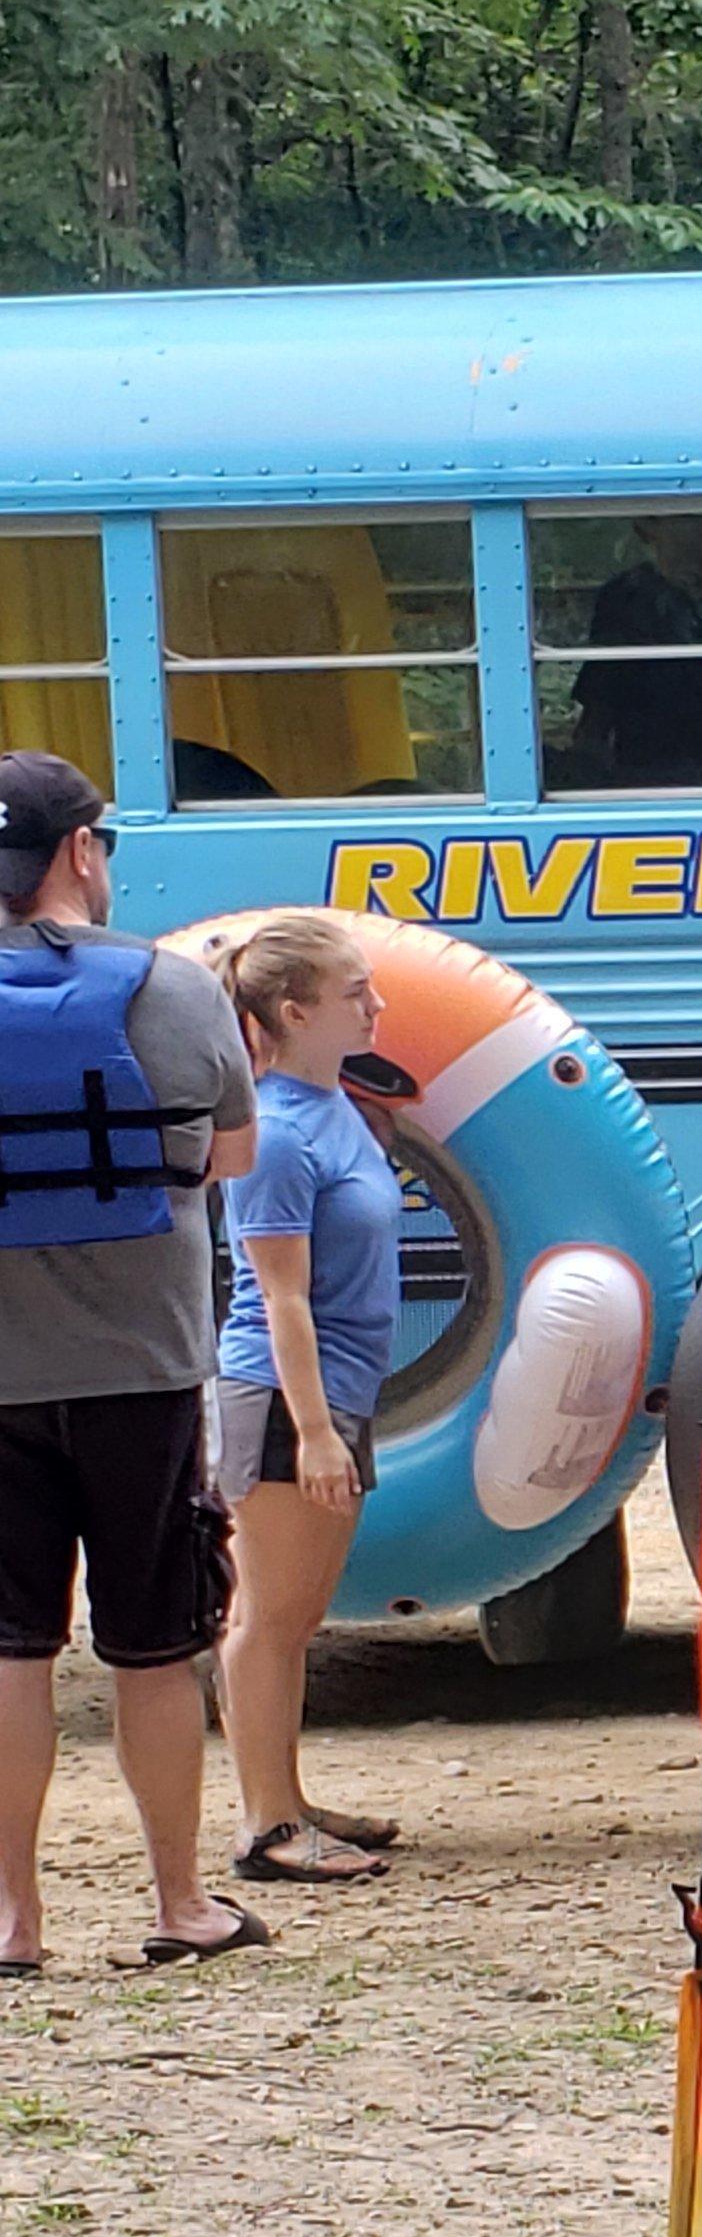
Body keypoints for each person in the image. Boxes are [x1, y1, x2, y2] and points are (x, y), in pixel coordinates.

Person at [0, 751, 262, 1970]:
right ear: (81, 852)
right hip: (145, 1370)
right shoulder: (174, 986)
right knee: (156, 1642)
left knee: (11, 1648)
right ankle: (178, 1905)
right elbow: (234, 1158)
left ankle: (12, 1919)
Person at [207, 915, 405, 1888]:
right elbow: (280, 1296)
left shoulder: (331, 1109)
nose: (378, 1004)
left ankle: (288, 1799)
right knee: (267, 1617)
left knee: (295, 1615)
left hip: (335, 1392)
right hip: (287, 1397)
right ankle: (265, 1826)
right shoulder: (278, 1132)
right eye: (357, 992)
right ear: (296, 1012)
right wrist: (317, 1433)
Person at [572, 516, 702, 793]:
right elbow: (600, 694)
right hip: (647, 766)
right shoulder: (624, 597)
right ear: (650, 527)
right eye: (685, 519)